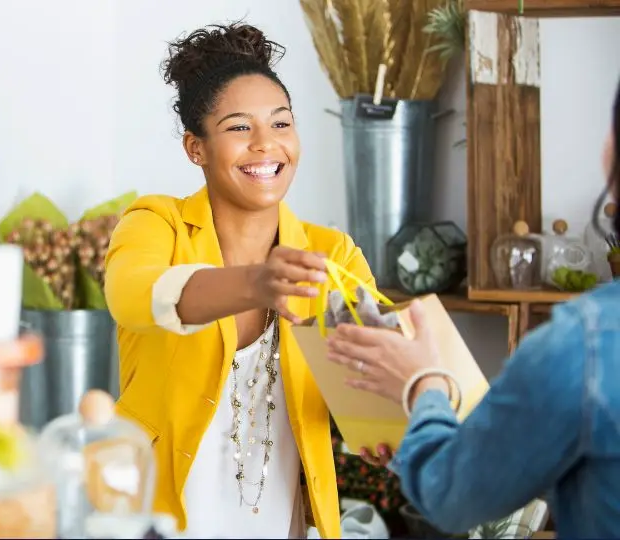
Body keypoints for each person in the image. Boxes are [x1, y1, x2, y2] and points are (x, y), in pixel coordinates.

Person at [104, 22, 383, 539]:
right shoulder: (155, 222)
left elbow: (376, 379)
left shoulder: (331, 253)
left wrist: (386, 415)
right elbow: (133, 296)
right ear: (197, 148)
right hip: (151, 520)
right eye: (238, 128)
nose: (266, 145)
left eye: (281, 123)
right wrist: (257, 284)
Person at [325, 79, 620, 537]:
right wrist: (416, 440)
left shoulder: (581, 347)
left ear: (610, 153)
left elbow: (454, 497)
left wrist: (424, 383)